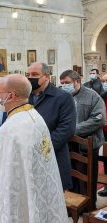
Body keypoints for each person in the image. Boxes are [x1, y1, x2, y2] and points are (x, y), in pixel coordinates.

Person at [0, 74, 68, 223]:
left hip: (20, 193)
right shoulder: (35, 116)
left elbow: (2, 174)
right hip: (41, 188)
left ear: (10, 96)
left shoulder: (11, 127)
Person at [60, 70, 105, 208]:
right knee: (71, 177)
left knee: (87, 178)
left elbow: (99, 119)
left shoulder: (92, 96)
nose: (64, 86)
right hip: (68, 144)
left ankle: (89, 206)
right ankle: (74, 206)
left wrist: (74, 130)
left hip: (88, 145)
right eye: (62, 83)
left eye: (67, 83)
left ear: (77, 81)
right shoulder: (62, 97)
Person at [28, 62, 76, 190]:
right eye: (28, 74)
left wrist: (42, 149)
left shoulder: (62, 97)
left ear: (46, 76)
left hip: (53, 155)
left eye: (35, 74)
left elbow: (66, 129)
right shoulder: (26, 97)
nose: (30, 78)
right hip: (30, 156)